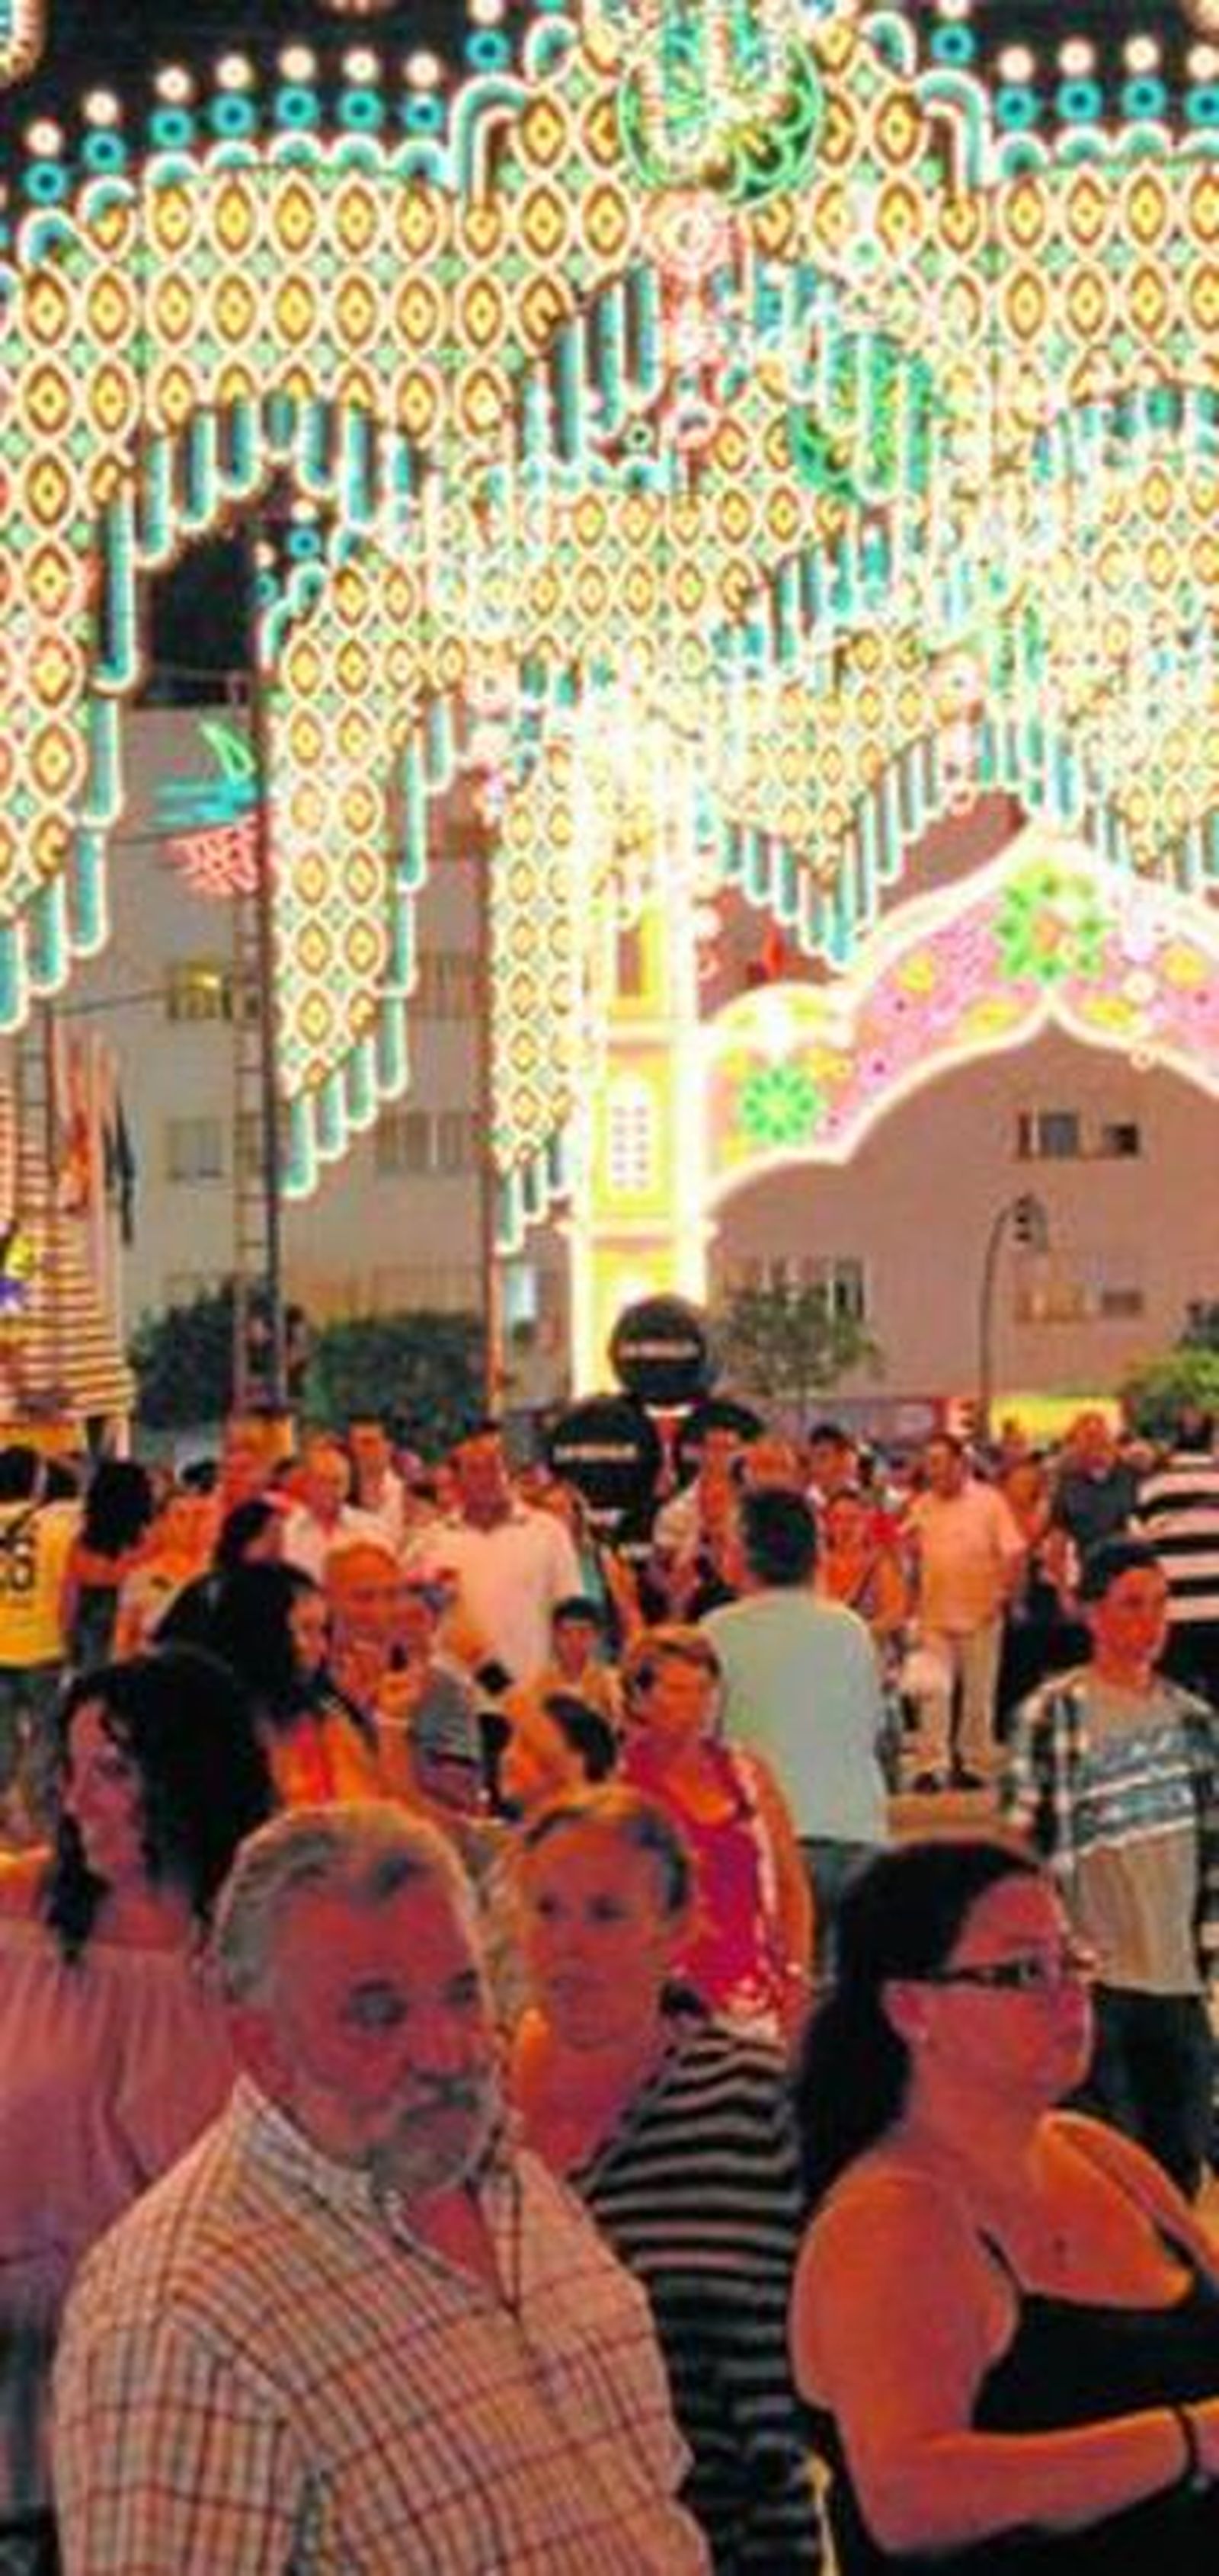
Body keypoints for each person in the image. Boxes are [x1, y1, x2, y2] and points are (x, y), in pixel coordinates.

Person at [53, 1803, 709, 2572]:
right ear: (262, 2045)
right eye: (377, 2016)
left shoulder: (503, 2178)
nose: (446, 2052)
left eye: (462, 1994)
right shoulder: (185, 2322)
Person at [789, 1837, 1219, 2574]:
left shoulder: (1096, 2153)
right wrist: (1187, 2439)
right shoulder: (890, 2219)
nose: (1069, 1995)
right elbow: (911, 2498)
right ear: (911, 2007)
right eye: (1022, 1972)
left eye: (1071, 1961)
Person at [0, 1646, 271, 2562]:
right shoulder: (20, 1917)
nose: (77, 1801)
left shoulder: (258, 1948)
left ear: (189, 1775)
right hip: (17, 2388)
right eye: (71, 1771)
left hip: (180, 2395)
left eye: (113, 1771)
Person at [511, 1787, 821, 2572]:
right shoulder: (468, 2120)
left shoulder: (752, 2098)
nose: (568, 1945)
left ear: (676, 1929)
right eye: (546, 1910)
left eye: (606, 1914)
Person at [1003, 1537, 1219, 2197]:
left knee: (1177, 2168)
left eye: (1160, 1604)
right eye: (1132, 1604)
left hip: (1178, 1973)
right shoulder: (1053, 1712)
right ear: (1092, 1613)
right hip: (1093, 1976)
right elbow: (1016, 1842)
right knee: (1108, 2171)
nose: (1151, 1622)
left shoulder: (1194, 1721)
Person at [703, 1487, 888, 1964]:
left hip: (767, 1844)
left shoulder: (716, 1633)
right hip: (856, 1835)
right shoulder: (852, 1630)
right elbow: (875, 1730)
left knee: (775, 1994)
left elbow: (701, 1743)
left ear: (744, 1553)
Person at [620, 1624, 811, 2036]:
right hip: (663, 2007)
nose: (694, 1706)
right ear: (640, 1698)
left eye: (704, 1691)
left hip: (755, 2000)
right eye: (677, 1691)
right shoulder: (622, 1789)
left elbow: (791, 1886)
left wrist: (796, 1976)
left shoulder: (747, 1775)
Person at [410, 1423, 582, 1688]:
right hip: (454, 1699)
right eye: (475, 1469)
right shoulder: (429, 1542)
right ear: (457, 1480)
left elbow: (571, 1620)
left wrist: (566, 1686)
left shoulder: (549, 1533)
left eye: (494, 1466)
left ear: (508, 1471)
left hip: (528, 1696)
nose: (487, 1478)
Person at [198, 1561, 382, 1806]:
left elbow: (364, 1811)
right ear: (262, 1633)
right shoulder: (205, 1725)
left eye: (322, 1631)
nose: (322, 1648)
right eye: (306, 1629)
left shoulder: (325, 1719)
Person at [902, 1434, 1025, 1789]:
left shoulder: (990, 1502)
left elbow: (1014, 1552)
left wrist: (1001, 1595)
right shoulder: (922, 1504)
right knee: (933, 1692)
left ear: (961, 1463)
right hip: (934, 1613)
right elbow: (905, 1547)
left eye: (939, 1462)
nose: (933, 1471)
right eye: (929, 1463)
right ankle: (932, 1766)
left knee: (978, 1696)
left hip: (981, 1611)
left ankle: (974, 1764)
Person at [0, 1444, 78, 1831]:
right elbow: (68, 1588)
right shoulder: (57, 1528)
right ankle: (35, 1812)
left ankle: (4, 1808)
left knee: (2, 1734)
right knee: (47, 1732)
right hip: (44, 1644)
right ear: (37, 1480)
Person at [1134, 1411, 1219, 1704]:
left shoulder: (1151, 1488)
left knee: (1175, 1698)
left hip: (1174, 1611)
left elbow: (1139, 1541)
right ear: (1210, 1440)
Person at [59, 1460, 155, 1669]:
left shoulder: (81, 1544)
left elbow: (69, 1597)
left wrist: (67, 1638)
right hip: (135, 1626)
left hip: (90, 1629)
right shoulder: (152, 1544)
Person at [280, 1435, 384, 1586]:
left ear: (348, 1485)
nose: (328, 1490)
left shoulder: (372, 1530)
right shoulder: (286, 1531)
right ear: (306, 1483)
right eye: (321, 1480)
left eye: (337, 1481)